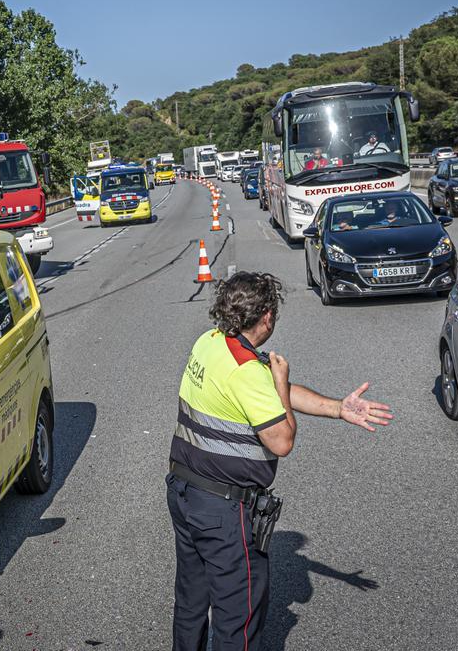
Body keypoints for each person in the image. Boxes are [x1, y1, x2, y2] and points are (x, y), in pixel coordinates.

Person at [167, 272, 393, 651]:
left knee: (191, 602)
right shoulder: (249, 373)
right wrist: (281, 378)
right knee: (237, 619)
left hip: (185, 492)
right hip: (224, 511)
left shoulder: (211, 343)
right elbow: (282, 438)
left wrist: (338, 408)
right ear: (267, 317)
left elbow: (269, 396)